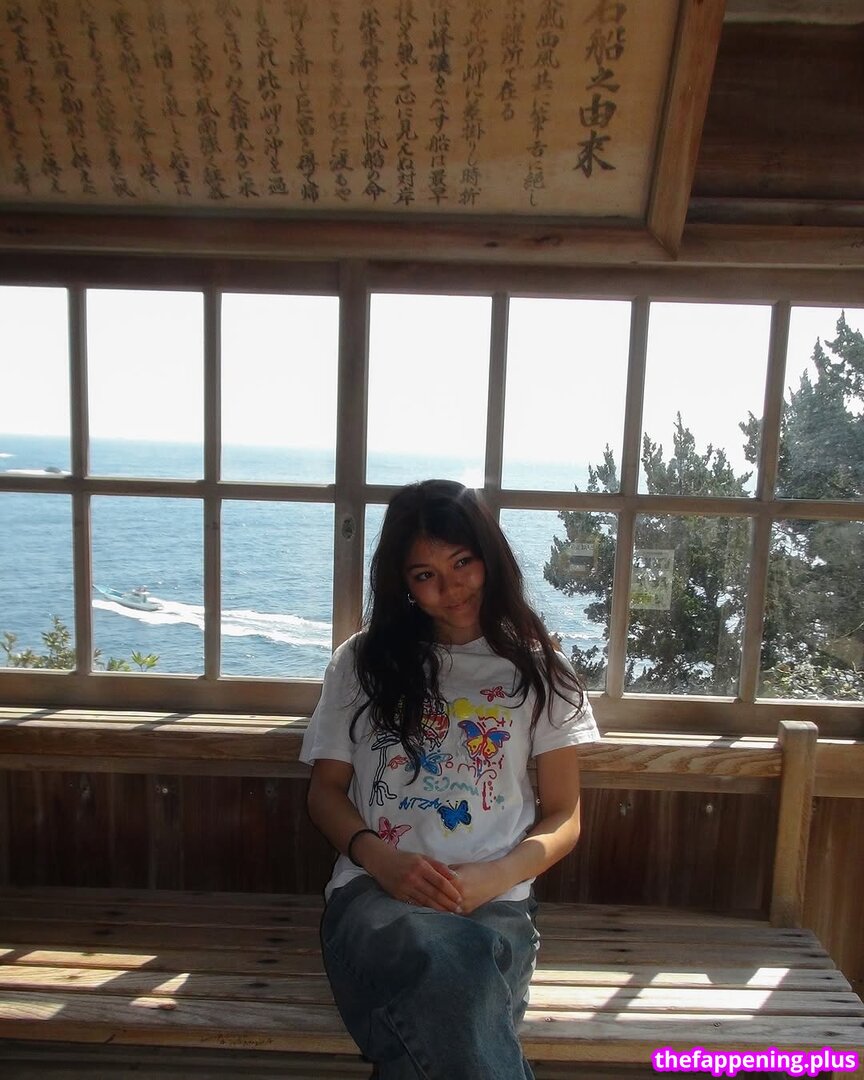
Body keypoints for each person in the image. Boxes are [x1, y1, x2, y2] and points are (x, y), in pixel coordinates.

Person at [301, 479, 599, 1080]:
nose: (451, 586)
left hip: (497, 905)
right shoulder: (361, 663)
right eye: (425, 574)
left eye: (463, 562)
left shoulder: (542, 671)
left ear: (490, 557)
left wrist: (496, 876)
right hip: (374, 899)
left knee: (443, 1003)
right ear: (402, 584)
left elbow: (564, 815)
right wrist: (383, 861)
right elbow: (324, 793)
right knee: (454, 966)